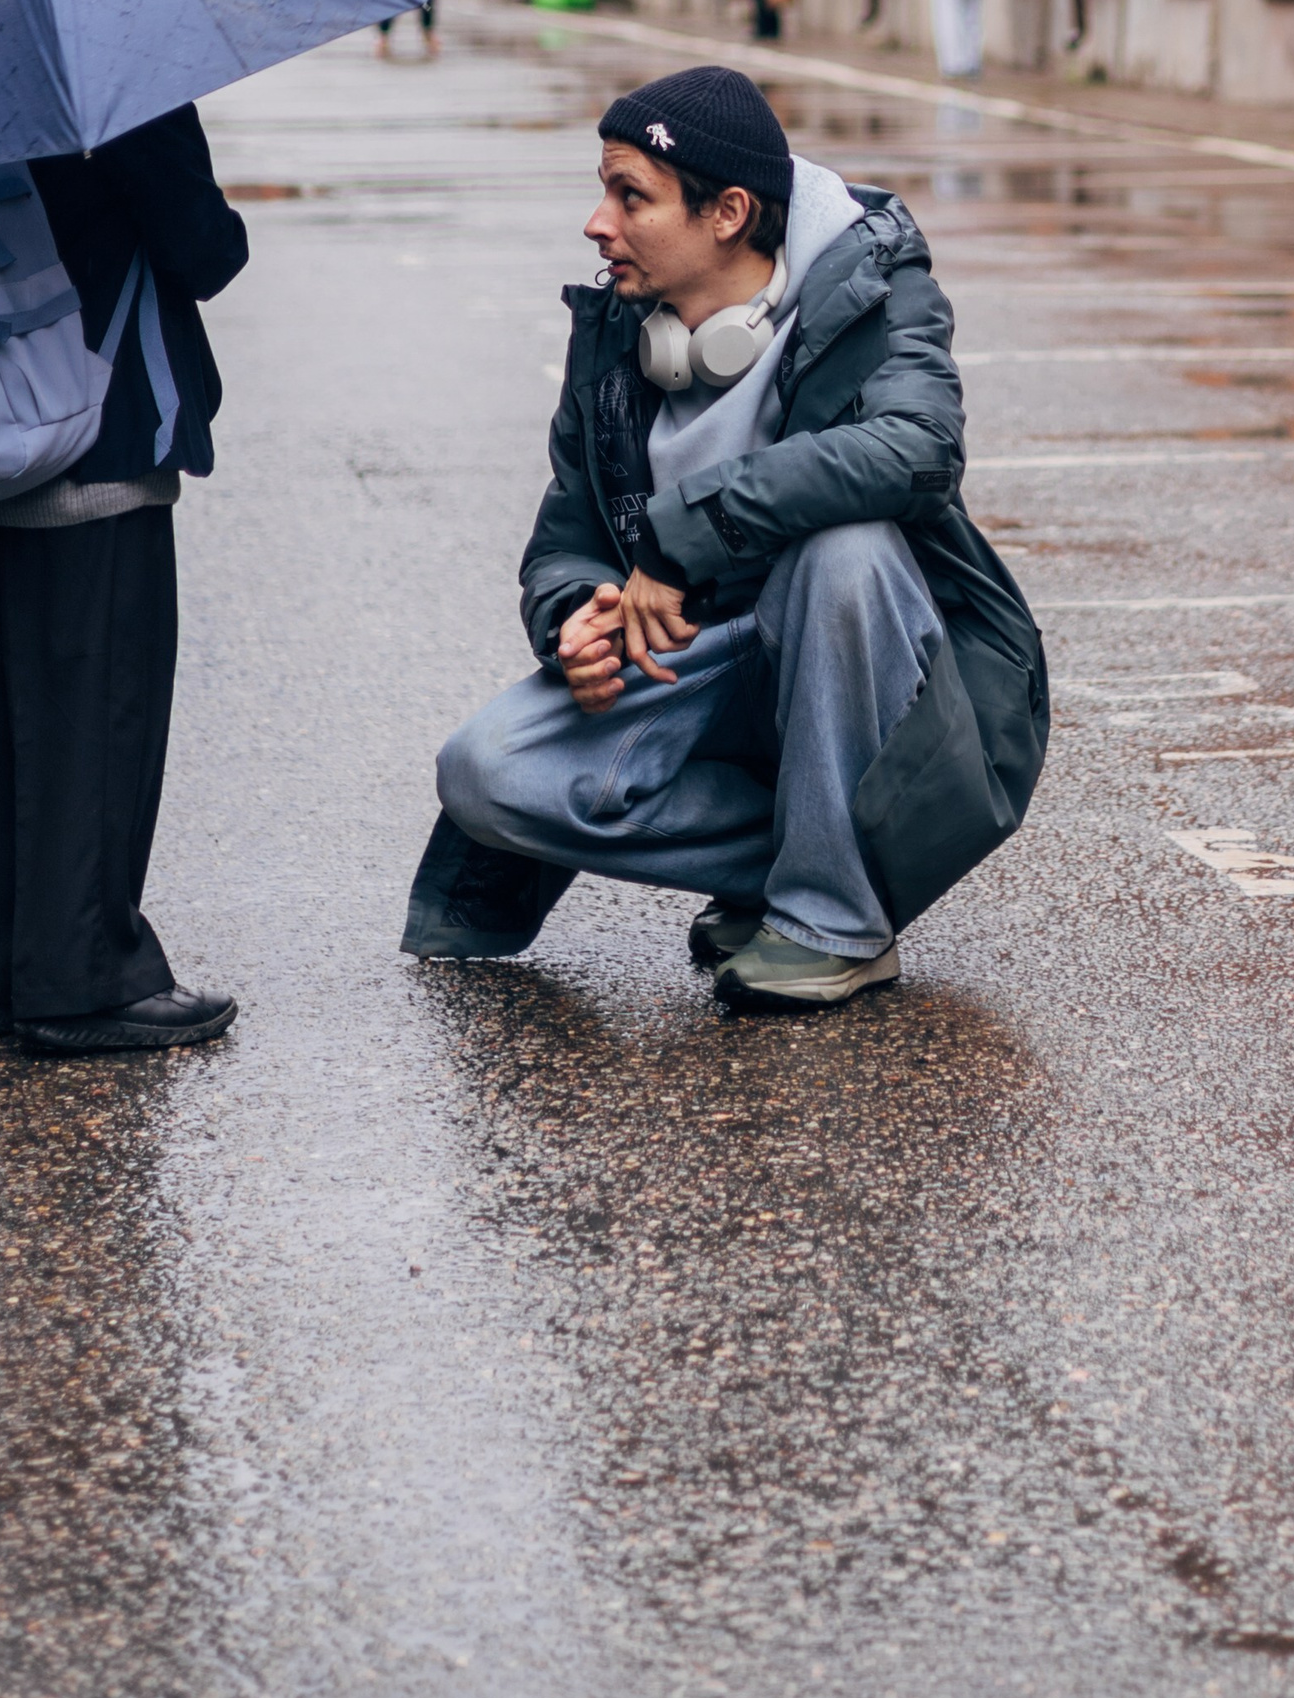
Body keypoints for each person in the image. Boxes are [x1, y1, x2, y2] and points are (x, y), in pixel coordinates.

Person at [403, 63, 1048, 1013]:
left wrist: (680, 538)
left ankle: (837, 924)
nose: (598, 222)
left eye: (632, 195)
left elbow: (919, 450)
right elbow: (567, 533)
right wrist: (573, 613)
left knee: (846, 549)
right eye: (603, 190)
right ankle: (798, 858)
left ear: (730, 211)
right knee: (484, 773)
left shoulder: (874, 292)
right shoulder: (621, 330)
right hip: (695, 664)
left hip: (851, 655)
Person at [0, 106, 250, 1055]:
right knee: (96, 717)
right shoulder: (112, 79)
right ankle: (84, 977)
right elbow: (204, 249)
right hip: (94, 434)